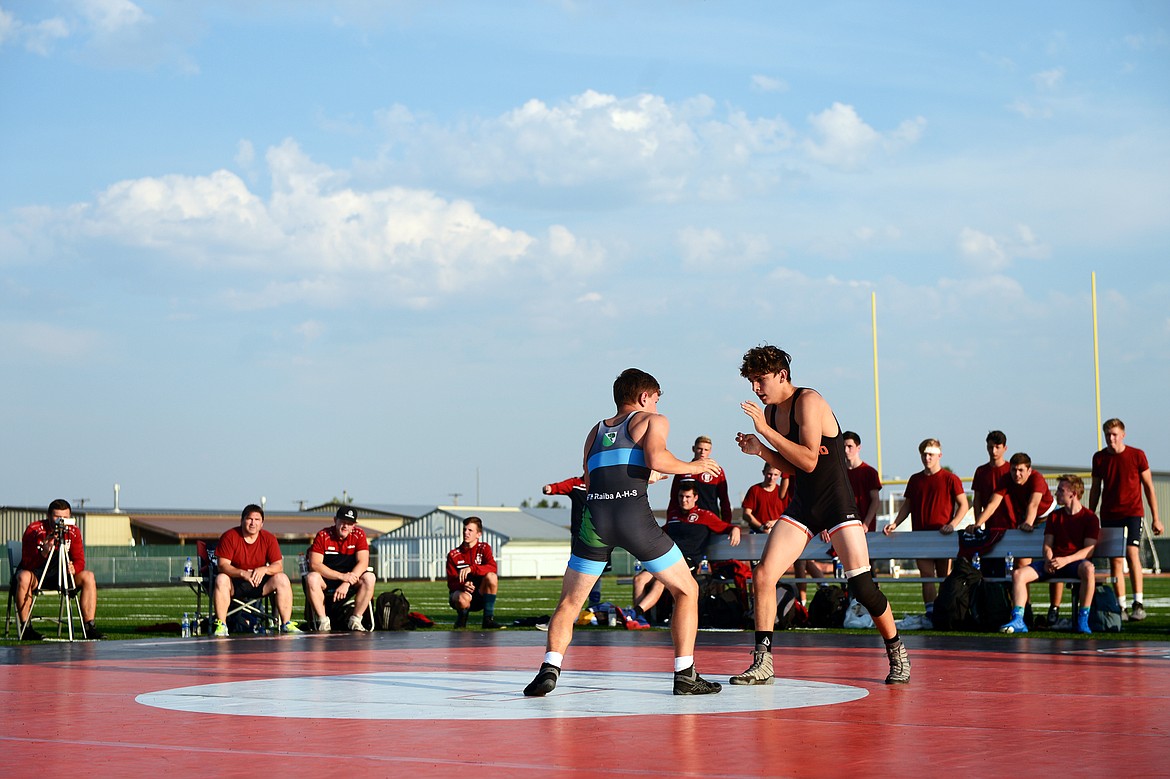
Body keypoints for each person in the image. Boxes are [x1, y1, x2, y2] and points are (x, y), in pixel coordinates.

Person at [525, 368, 723, 697]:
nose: (657, 408)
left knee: (570, 603)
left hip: (596, 521)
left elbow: (592, 479)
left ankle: (549, 668)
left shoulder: (595, 430)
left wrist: (644, 477)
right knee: (687, 590)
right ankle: (685, 674)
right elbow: (658, 457)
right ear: (644, 397)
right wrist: (694, 467)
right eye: (656, 400)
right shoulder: (652, 420)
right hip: (633, 519)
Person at [730, 345, 909, 686]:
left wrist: (765, 435)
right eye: (751, 381)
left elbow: (810, 460)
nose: (755, 388)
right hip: (804, 503)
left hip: (836, 503)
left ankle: (896, 650)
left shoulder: (809, 401)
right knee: (764, 574)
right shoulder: (771, 413)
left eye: (760, 380)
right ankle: (763, 661)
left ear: (782, 375)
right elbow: (793, 468)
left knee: (862, 586)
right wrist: (760, 452)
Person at [883, 438, 969, 625]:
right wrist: (895, 523)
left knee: (944, 577)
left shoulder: (950, 478)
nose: (927, 457)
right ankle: (931, 613)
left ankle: (946, 612)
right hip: (920, 536)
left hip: (943, 535)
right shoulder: (915, 479)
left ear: (939, 455)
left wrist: (953, 524)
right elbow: (908, 505)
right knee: (926, 576)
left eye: (930, 454)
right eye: (924, 454)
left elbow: (963, 504)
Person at [1001, 474, 1100, 635]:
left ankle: (1082, 619)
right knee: (1019, 574)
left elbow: (1089, 550)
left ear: (1073, 494)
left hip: (1074, 563)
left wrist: (1065, 560)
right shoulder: (1055, 516)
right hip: (1054, 563)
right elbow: (1047, 544)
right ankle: (1018, 618)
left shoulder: (1090, 518)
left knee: (1089, 569)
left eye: (1061, 490)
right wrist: (1048, 560)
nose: (1056, 494)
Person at [630, 480, 742, 618]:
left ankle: (634, 613)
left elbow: (726, 527)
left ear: (695, 498)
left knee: (662, 581)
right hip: (666, 558)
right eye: (681, 496)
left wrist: (735, 529)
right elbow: (661, 533)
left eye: (688, 497)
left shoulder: (704, 516)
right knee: (639, 579)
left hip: (686, 561)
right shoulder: (673, 516)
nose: (684, 500)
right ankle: (639, 620)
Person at [1089, 418, 1163, 621]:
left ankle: (1138, 602)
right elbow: (1096, 488)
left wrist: (1156, 517)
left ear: (1123, 434)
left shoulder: (1137, 455)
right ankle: (1120, 606)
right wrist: (1090, 514)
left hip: (1132, 512)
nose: (1110, 438)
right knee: (1115, 560)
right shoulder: (1099, 458)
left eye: (1114, 434)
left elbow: (1148, 487)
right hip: (1110, 514)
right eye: (1107, 435)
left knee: (1132, 552)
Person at [14, 499, 104, 640]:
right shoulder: (34, 530)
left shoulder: (73, 531)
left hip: (63, 575)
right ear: (49, 516)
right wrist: (43, 553)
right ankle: (26, 628)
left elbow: (80, 560)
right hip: (37, 575)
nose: (61, 521)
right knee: (23, 576)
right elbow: (27, 563)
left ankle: (89, 628)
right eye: (57, 517)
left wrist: (74, 568)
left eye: (65, 518)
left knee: (88, 576)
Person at [212, 504, 301, 636]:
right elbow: (222, 565)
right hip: (235, 584)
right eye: (249, 519)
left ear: (262, 523)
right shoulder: (230, 536)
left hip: (260, 584)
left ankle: (286, 623)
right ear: (242, 520)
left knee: (282, 578)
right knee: (221, 578)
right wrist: (243, 573)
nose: (253, 523)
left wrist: (263, 569)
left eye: (257, 520)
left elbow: (278, 566)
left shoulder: (269, 538)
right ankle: (222, 625)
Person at [304, 506, 377, 632]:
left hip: (350, 581)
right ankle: (323, 622)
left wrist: (347, 582)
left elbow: (363, 562)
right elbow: (315, 564)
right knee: (312, 578)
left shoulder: (359, 535)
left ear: (354, 525)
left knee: (370, 577)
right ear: (335, 520)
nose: (345, 526)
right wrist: (342, 576)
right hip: (327, 580)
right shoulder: (323, 535)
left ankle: (355, 620)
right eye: (342, 522)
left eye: (349, 523)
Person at [542, 474, 602, 609]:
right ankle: (572, 605)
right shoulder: (576, 484)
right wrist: (550, 488)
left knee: (597, 570)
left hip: (600, 535)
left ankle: (594, 606)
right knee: (577, 569)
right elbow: (559, 487)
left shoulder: (603, 483)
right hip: (580, 534)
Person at [446, 516, 504, 629]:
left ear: (478, 534)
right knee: (462, 598)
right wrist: (464, 585)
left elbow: (493, 567)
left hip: (480, 593)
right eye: (465, 530)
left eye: (470, 530)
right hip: (463, 594)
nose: (466, 533)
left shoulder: (484, 548)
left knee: (492, 576)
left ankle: (488, 620)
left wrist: (472, 568)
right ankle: (461, 620)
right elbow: (451, 582)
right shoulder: (453, 554)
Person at [667, 436, 733, 524]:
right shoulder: (683, 469)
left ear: (710, 451)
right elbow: (674, 498)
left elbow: (724, 500)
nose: (702, 452)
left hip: (710, 520)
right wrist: (670, 520)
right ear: (693, 449)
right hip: (686, 521)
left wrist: (726, 523)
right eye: (699, 449)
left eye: (706, 450)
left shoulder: (716, 471)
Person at [971, 430, 1011, 529]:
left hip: (1012, 524)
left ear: (1005, 448)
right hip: (990, 525)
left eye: (997, 447)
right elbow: (977, 500)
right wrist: (978, 523)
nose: (994, 451)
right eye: (990, 447)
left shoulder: (1012, 470)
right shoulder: (981, 471)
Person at [843, 431, 882, 532]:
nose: (846, 450)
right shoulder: (838, 473)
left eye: (850, 446)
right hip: (843, 526)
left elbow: (875, 500)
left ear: (858, 448)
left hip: (863, 528)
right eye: (843, 447)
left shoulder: (869, 472)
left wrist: (866, 524)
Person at [742, 464, 789, 533]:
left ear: (780, 475)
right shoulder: (754, 490)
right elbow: (746, 514)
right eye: (769, 474)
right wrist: (761, 527)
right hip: (757, 531)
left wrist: (775, 522)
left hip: (778, 531)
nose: (772, 478)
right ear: (763, 472)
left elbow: (788, 515)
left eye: (775, 475)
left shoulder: (782, 493)